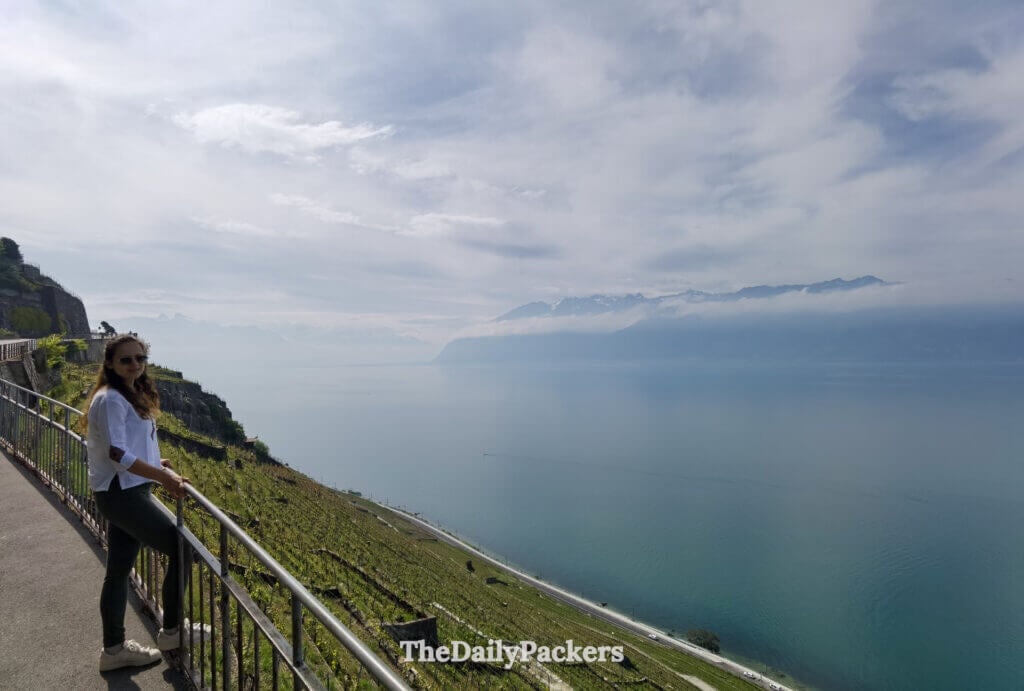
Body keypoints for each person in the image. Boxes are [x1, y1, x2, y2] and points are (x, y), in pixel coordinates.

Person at [83, 334, 191, 672]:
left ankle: (114, 650)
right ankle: (172, 631)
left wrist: (157, 464)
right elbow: (118, 454)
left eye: (140, 358)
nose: (134, 365)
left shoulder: (123, 395)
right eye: (126, 359)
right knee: (181, 548)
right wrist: (164, 478)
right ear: (110, 363)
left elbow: (127, 445)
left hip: (122, 492)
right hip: (123, 494)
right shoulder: (112, 399)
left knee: (118, 572)